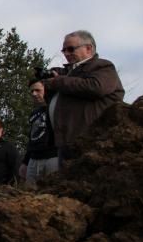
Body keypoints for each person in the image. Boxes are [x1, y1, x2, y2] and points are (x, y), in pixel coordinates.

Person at [42, 30, 124, 162]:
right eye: (64, 50)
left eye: (71, 49)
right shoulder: (70, 73)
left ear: (88, 48)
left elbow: (96, 87)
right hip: (66, 143)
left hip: (91, 141)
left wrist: (59, 81)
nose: (66, 54)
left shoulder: (103, 66)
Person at [20, 80, 59, 185]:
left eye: (38, 90)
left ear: (46, 90)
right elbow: (32, 138)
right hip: (33, 159)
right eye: (32, 91)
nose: (34, 94)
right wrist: (25, 162)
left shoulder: (57, 108)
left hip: (53, 157)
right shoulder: (34, 113)